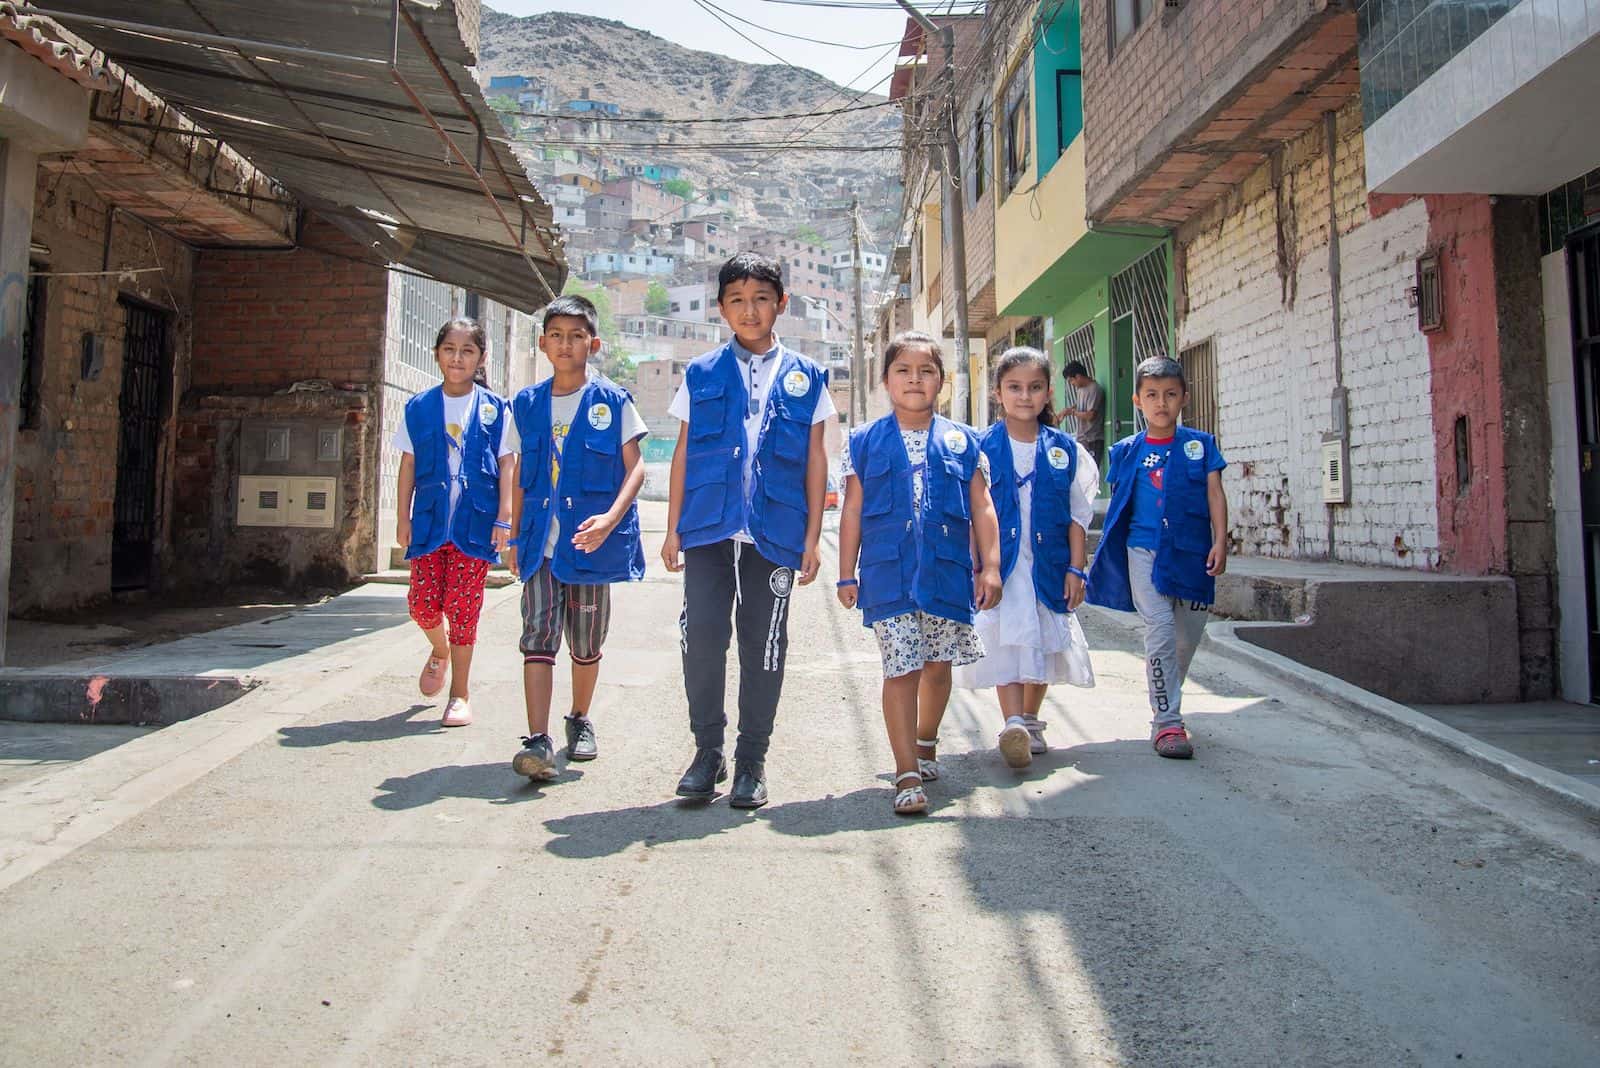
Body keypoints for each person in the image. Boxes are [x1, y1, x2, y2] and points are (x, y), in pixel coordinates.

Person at [661, 252, 833, 809]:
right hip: (708, 529)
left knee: (765, 645)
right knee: (704, 638)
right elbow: (685, 451)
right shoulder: (702, 372)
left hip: (776, 534)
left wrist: (811, 538)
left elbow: (814, 459)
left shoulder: (808, 377)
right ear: (720, 309)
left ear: (781, 303)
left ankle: (751, 760)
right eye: (737, 299)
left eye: (761, 298)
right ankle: (706, 752)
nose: (750, 309)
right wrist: (671, 530)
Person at [837, 331, 1003, 815]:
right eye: (903, 371)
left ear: (942, 382)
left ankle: (926, 740)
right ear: (885, 380)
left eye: (926, 371)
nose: (914, 379)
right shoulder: (863, 442)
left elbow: (983, 507)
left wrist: (989, 567)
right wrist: (847, 574)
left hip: (946, 573)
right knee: (901, 666)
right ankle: (906, 771)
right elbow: (852, 511)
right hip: (888, 574)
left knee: (937, 666)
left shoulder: (964, 440)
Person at [505, 295, 648, 781]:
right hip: (540, 548)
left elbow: (636, 468)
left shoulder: (613, 401)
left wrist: (609, 520)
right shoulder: (525, 404)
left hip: (589, 546)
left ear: (594, 343)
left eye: (577, 336)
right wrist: (511, 536)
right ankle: (537, 738)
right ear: (543, 344)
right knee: (537, 636)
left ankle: (579, 718)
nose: (566, 345)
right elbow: (521, 471)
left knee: (585, 644)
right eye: (557, 336)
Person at [954, 347, 1098, 769]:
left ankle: (1030, 719)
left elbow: (1077, 516)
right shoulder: (980, 448)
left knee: (1044, 642)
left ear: (1049, 392)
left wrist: (1076, 567)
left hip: (1049, 563)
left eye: (1035, 387)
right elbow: (969, 514)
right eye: (1014, 387)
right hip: (1001, 565)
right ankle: (1012, 721)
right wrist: (977, 566)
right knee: (1006, 643)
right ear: (998, 393)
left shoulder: (1064, 450)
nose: (1024, 396)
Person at [1087, 356, 1228, 759]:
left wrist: (1221, 540)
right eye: (1151, 395)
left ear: (1184, 397)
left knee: (1185, 638)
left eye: (1169, 394)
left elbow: (1214, 495)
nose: (1161, 403)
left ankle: (1166, 695)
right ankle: (1167, 723)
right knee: (1161, 628)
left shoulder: (1201, 446)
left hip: (1192, 553)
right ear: (1137, 401)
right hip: (1142, 551)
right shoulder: (1126, 450)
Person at [393, 318, 515, 728]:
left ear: (480, 357)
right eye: (449, 349)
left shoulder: (495, 409)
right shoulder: (419, 407)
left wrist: (504, 518)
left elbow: (507, 464)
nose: (457, 357)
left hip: (475, 524)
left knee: (464, 609)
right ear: (437, 354)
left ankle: (459, 692)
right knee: (422, 605)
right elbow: (407, 464)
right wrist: (402, 517)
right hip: (428, 522)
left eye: (467, 350)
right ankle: (439, 650)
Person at [1061, 360, 1106, 474]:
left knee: (1091, 474)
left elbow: (1090, 415)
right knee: (1080, 474)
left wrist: (1072, 413)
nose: (1071, 383)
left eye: (1071, 380)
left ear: (1078, 376)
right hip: (1082, 439)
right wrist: (1069, 410)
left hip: (1093, 439)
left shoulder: (1095, 389)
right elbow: (1080, 406)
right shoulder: (1081, 390)